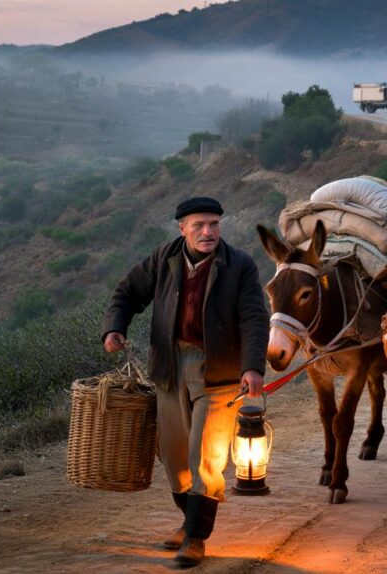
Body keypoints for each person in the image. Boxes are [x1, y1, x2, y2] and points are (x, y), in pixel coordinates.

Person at [101, 196, 268, 567]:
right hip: (169, 366)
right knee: (174, 456)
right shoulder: (165, 258)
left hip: (219, 371)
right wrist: (114, 327)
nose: (208, 232)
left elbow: (255, 317)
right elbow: (127, 292)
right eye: (199, 225)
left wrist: (252, 366)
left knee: (205, 457)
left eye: (214, 224)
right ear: (182, 229)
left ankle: (195, 537)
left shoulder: (239, 264)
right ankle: (188, 519)